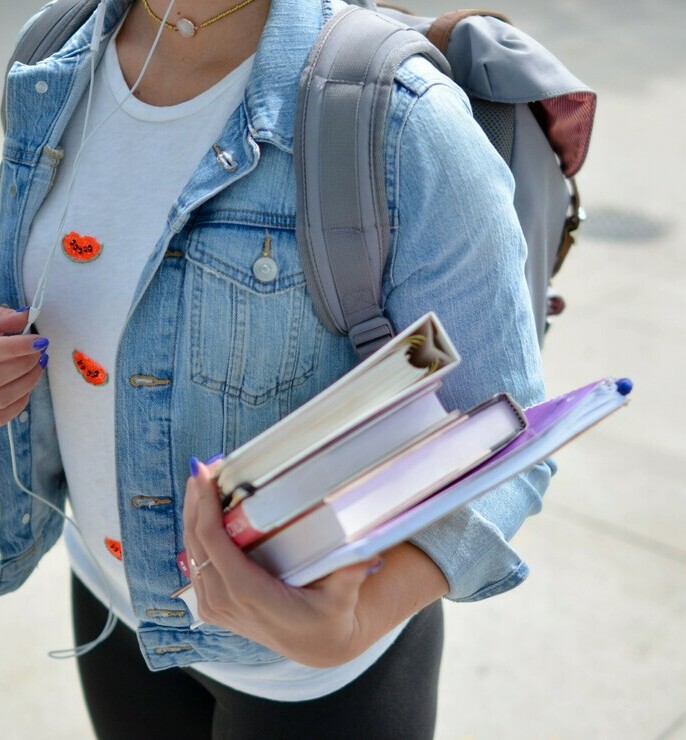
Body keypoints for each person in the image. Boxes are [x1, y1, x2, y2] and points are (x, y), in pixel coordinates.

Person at [0, 0, 553, 737]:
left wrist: (354, 623)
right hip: (112, 603)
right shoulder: (52, 53)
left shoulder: (400, 119)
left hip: (316, 676)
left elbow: (502, 431)